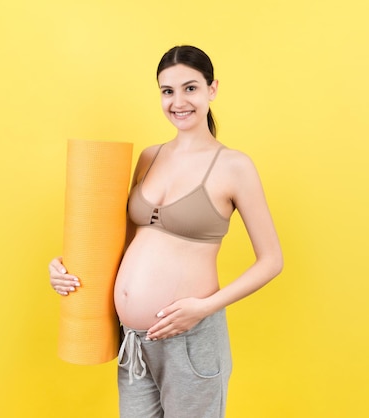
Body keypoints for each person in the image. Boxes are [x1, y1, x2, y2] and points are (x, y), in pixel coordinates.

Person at [48, 45, 283, 418]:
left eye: (190, 88)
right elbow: (118, 244)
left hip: (189, 340)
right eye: (167, 91)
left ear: (212, 89)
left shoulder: (235, 166)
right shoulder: (149, 157)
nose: (178, 101)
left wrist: (203, 308)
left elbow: (271, 261)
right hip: (134, 342)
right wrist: (67, 269)